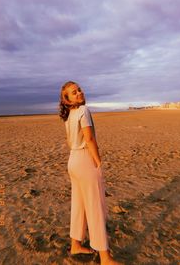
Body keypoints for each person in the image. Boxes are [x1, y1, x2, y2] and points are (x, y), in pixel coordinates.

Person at [59, 81, 124, 265]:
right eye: (74, 92)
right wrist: (97, 161)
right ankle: (105, 257)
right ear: (67, 100)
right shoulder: (83, 110)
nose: (79, 93)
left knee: (79, 204)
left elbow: (69, 141)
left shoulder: (69, 115)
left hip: (73, 160)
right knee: (95, 207)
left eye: (78, 89)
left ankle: (76, 244)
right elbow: (89, 138)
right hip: (84, 160)